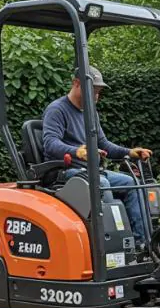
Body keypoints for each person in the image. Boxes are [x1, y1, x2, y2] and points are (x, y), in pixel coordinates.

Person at [41, 66, 153, 247]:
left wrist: (129, 152)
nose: (95, 97)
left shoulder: (91, 114)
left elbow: (105, 144)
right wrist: (76, 151)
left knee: (131, 183)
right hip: (64, 172)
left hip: (89, 171)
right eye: (93, 91)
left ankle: (143, 245)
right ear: (76, 84)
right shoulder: (57, 110)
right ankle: (109, 247)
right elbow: (50, 143)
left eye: (98, 92)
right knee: (102, 185)